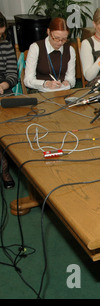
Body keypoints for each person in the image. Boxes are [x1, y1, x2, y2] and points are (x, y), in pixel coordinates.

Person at [24, 17, 76, 92]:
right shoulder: (36, 48)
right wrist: (46, 83)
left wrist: (68, 82)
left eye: (64, 39)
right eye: (56, 38)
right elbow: (28, 80)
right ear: (48, 32)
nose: (60, 43)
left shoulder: (70, 50)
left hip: (62, 90)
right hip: (40, 91)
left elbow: (71, 79)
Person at [0, 12, 17, 188]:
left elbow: (13, 75)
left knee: (6, 126)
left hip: (3, 91)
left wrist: (3, 86)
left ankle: (5, 170)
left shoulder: (6, 46)